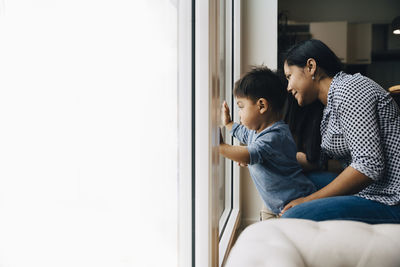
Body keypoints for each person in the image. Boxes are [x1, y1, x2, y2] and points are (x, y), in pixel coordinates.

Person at [280, 39, 400, 223]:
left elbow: (369, 166)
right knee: (294, 181)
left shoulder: (349, 89)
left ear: (311, 66)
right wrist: (264, 155)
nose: (288, 87)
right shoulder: (328, 105)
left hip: (391, 197)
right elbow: (315, 162)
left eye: (289, 76)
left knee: (293, 216)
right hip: (370, 191)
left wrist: (306, 201)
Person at [219, 66, 316, 216]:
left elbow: (249, 154)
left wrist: (219, 147)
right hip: (274, 202)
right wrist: (229, 123)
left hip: (295, 200)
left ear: (262, 106)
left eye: (241, 107)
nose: (239, 114)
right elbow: (244, 134)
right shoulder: (257, 131)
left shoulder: (275, 136)